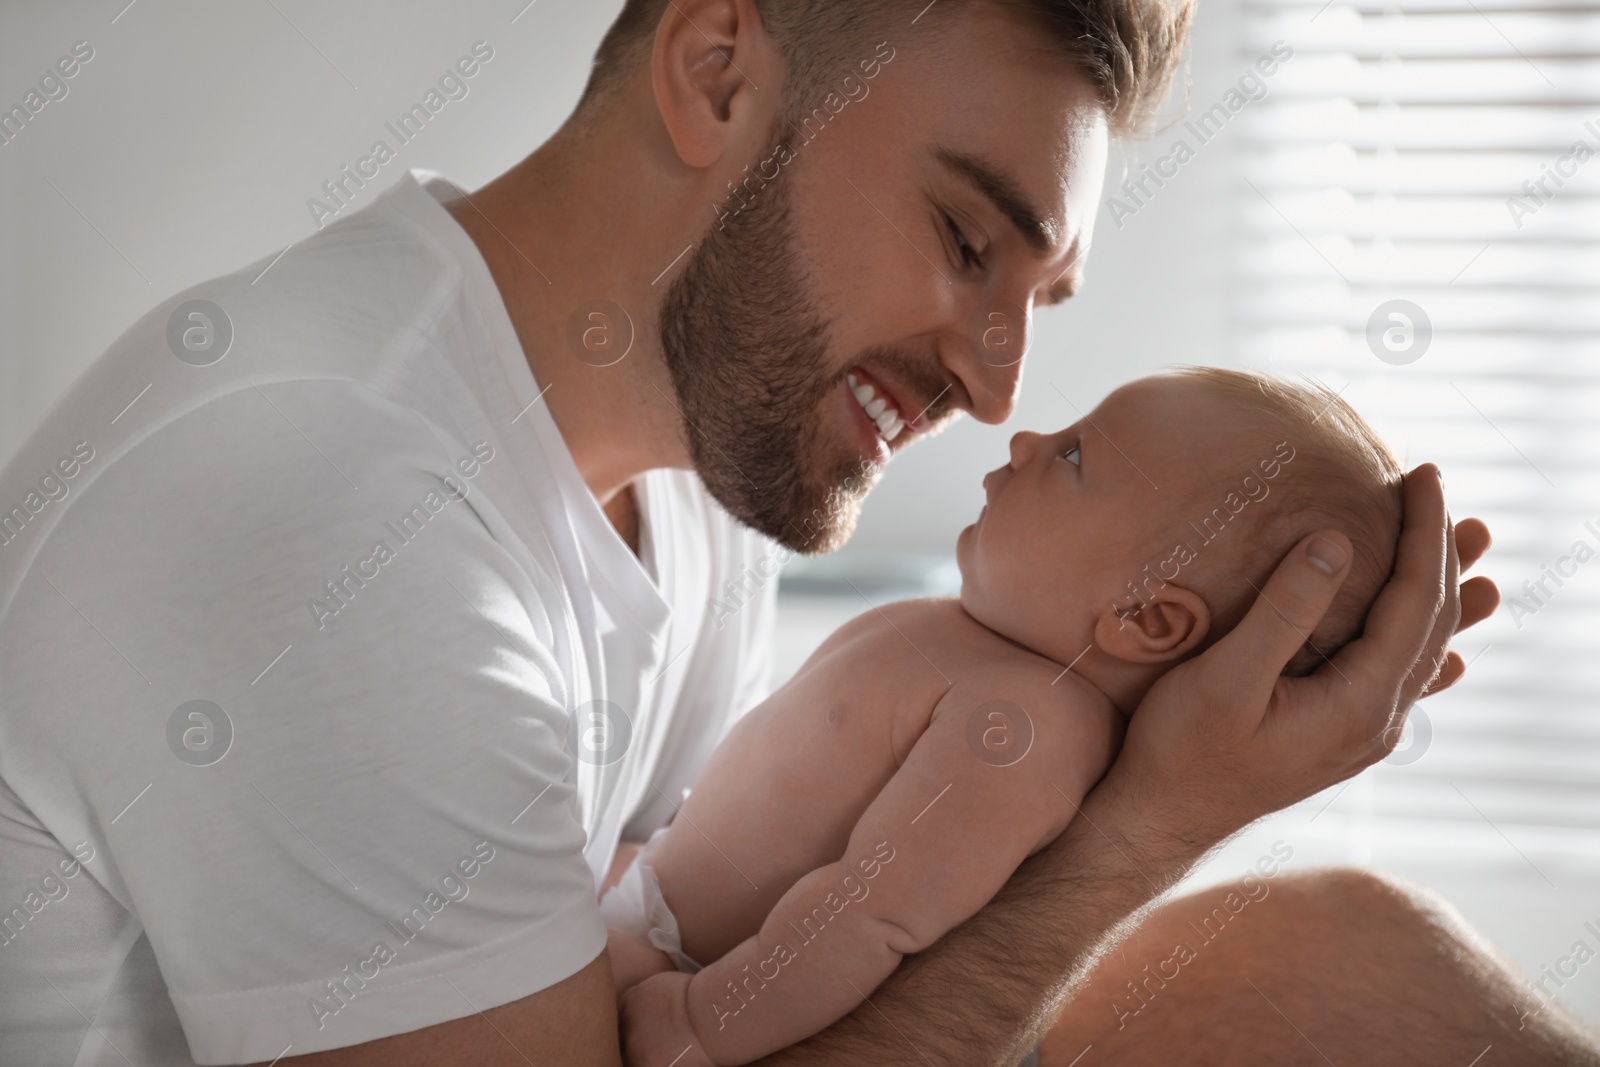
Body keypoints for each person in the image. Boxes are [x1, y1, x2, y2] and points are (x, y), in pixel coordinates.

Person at [0, 0, 1563, 1065]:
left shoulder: (703, 479)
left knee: (1346, 959)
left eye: (1039, 298)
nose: (997, 379)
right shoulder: (331, 510)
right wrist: (1144, 828)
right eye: (966, 241)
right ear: (717, 71)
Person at [601, 368, 1406, 1066]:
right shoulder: (973, 644)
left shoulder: (1030, 727)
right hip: (652, 896)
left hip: (694, 971)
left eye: (1075, 456)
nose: (1026, 440)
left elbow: (869, 912)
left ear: (1147, 617)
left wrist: (706, 1023)